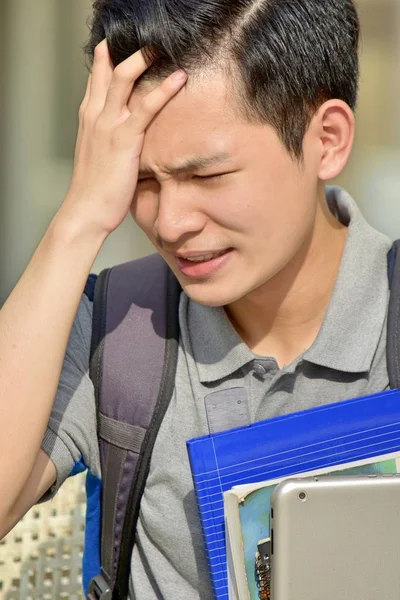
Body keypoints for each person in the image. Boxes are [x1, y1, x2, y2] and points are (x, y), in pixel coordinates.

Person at [0, 0, 391, 598]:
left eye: (207, 176)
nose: (173, 222)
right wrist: (78, 220)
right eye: (143, 181)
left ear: (327, 140)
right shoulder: (117, 330)